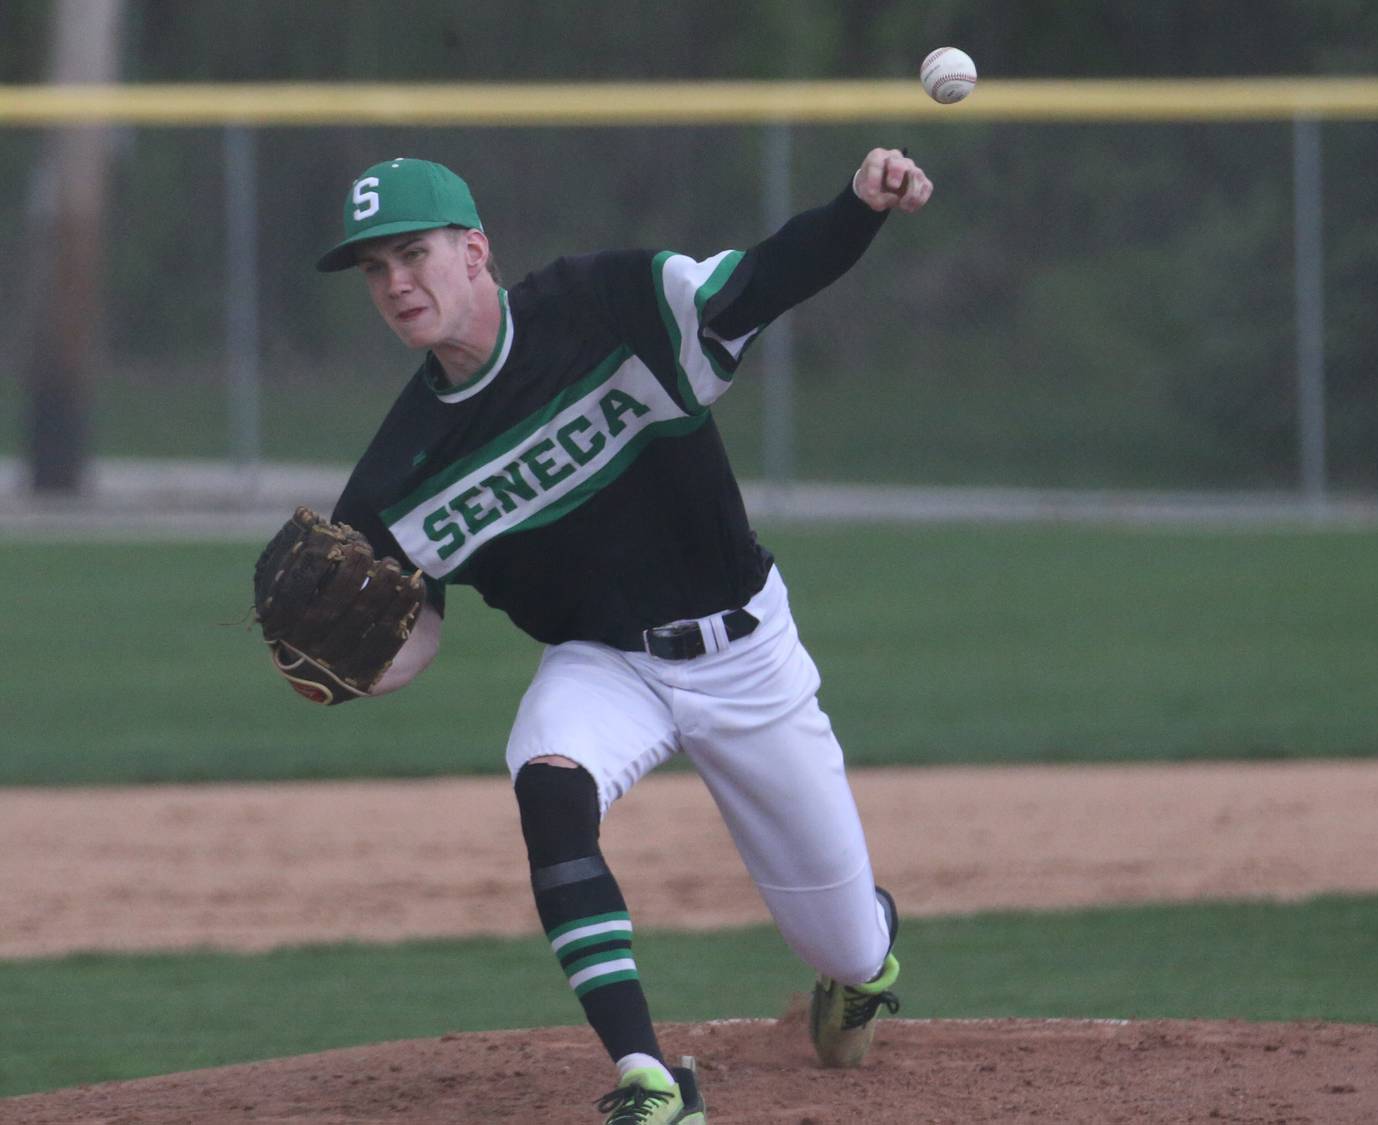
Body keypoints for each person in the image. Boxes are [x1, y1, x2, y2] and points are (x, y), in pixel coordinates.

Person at [310, 147, 932, 1124]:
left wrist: (859, 207)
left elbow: (764, 278)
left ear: (474, 250)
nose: (395, 283)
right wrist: (354, 667)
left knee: (845, 946)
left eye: (412, 253)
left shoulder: (614, 303)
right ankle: (647, 1077)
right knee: (546, 777)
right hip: (607, 664)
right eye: (374, 269)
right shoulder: (399, 477)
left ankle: (862, 962)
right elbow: (410, 629)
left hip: (746, 652)